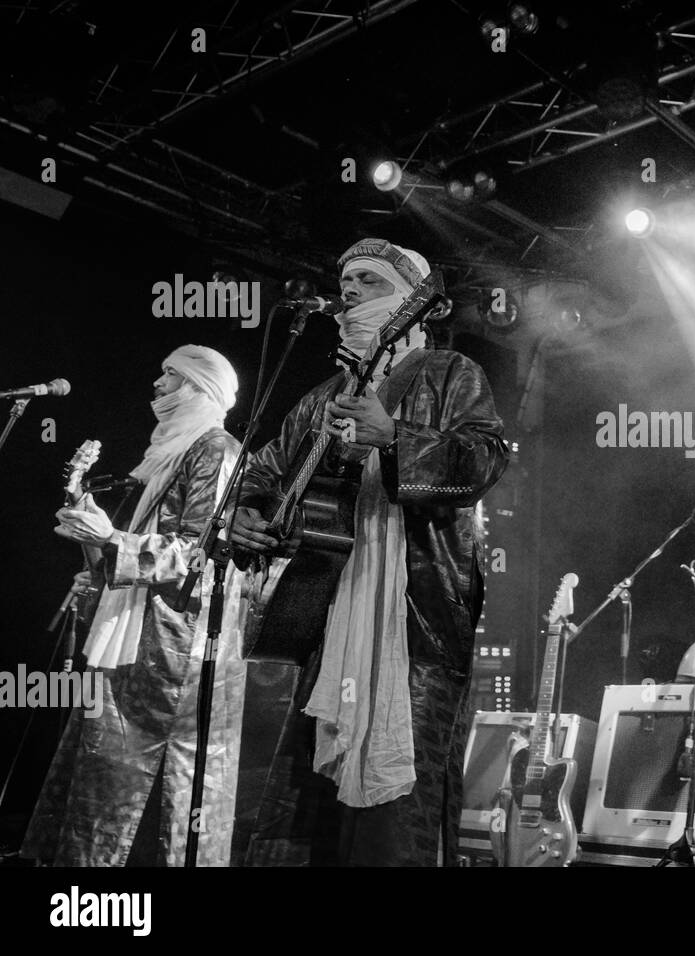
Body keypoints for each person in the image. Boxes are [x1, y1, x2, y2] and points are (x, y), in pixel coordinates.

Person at [234, 238, 509, 866]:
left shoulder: (450, 373)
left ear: (409, 301)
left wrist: (396, 438)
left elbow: (486, 461)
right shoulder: (320, 397)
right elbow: (261, 473)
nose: (347, 291)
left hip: (416, 614)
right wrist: (245, 517)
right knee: (314, 801)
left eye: (366, 279)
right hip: (327, 612)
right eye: (345, 280)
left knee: (400, 798)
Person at [23, 345, 246, 866]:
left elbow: (201, 552)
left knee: (149, 774)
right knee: (105, 764)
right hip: (137, 632)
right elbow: (138, 541)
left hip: (176, 645)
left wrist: (113, 540)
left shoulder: (215, 448)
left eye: (171, 375)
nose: (157, 384)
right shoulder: (165, 451)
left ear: (197, 386)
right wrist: (97, 541)